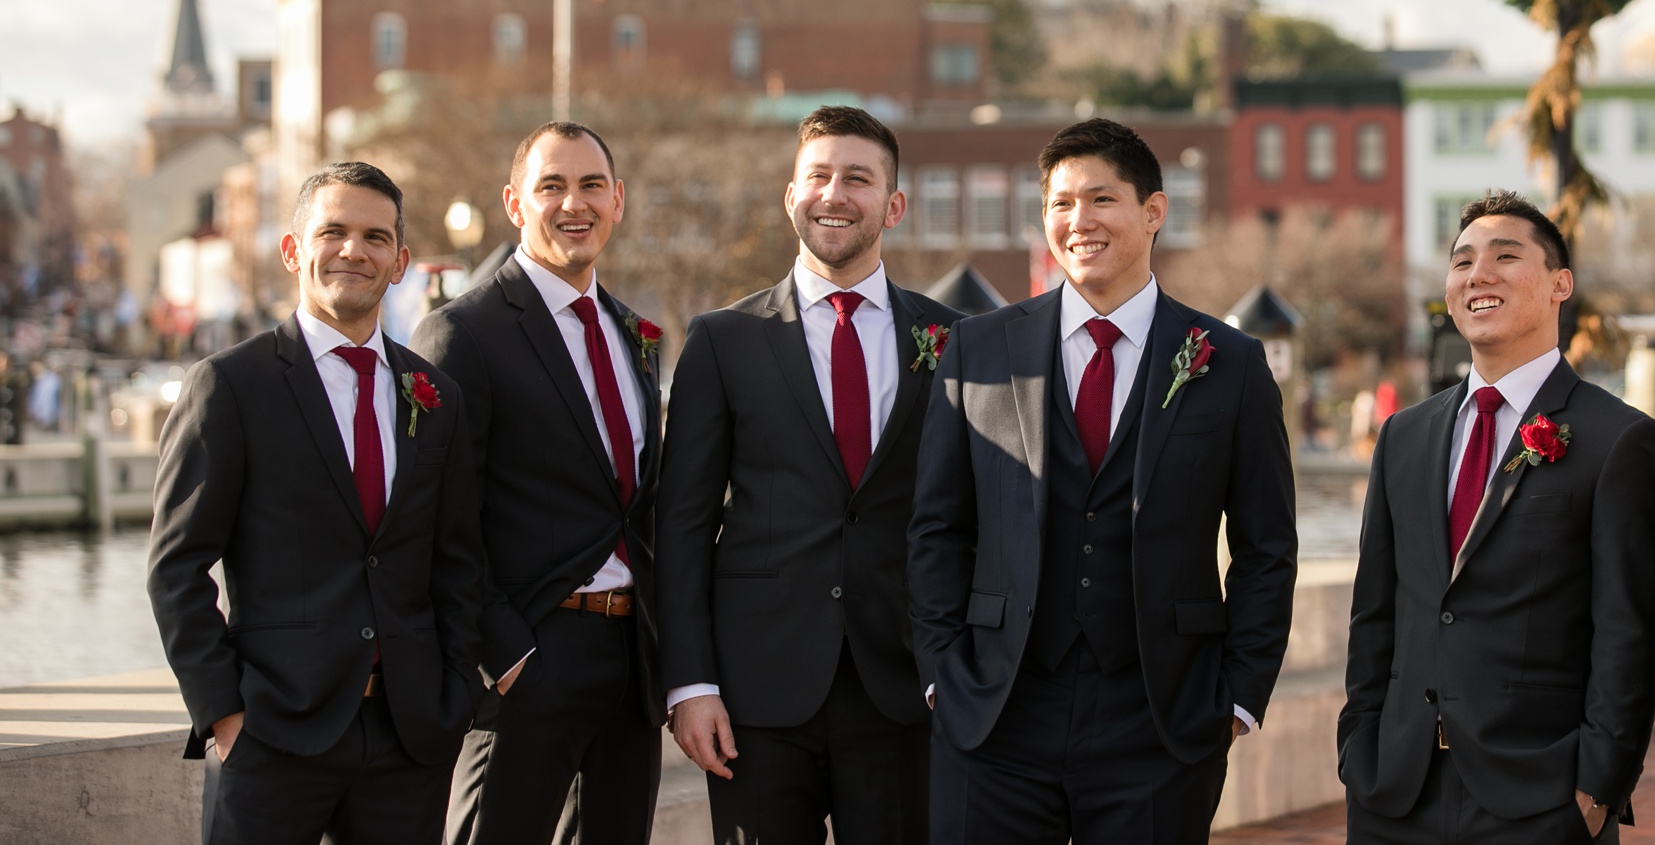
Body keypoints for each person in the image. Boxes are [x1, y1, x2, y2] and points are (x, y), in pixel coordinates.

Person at [908, 117, 1297, 845]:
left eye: (1100, 199)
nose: (1077, 220)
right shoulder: (978, 347)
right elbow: (938, 525)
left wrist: (1238, 697)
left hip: (1161, 716)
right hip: (994, 709)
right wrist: (942, 673)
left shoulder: (1232, 363)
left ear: (1154, 211)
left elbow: (1266, 545)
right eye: (1059, 203)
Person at [147, 161, 483, 845]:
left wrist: (451, 698)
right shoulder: (229, 386)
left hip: (408, 740)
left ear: (400, 261)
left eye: (375, 236)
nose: (353, 250)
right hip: (273, 735)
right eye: (333, 231)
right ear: (294, 248)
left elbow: (456, 562)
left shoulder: (436, 395)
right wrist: (225, 715)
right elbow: (176, 567)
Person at [658, 105, 962, 843]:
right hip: (757, 696)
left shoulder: (951, 339)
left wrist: (959, 668)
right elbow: (683, 523)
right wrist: (691, 684)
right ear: (790, 194)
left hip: (902, 688)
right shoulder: (724, 340)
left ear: (893, 204)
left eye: (857, 178)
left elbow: (972, 517)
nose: (835, 193)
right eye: (818, 176)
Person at [1338, 191, 1655, 844]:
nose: (1477, 274)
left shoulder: (1618, 438)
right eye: (1462, 262)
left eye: (1505, 256)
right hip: (1393, 795)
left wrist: (1599, 785)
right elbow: (1375, 612)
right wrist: (1359, 749)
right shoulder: (1403, 436)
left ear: (1559, 284)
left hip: (1539, 798)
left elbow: (1629, 631)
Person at [412, 122, 666, 845]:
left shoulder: (636, 334)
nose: (573, 203)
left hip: (631, 666)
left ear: (617, 200)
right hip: (530, 660)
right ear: (515, 203)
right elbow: (437, 519)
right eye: (551, 185)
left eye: (591, 185)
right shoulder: (464, 332)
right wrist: (509, 655)